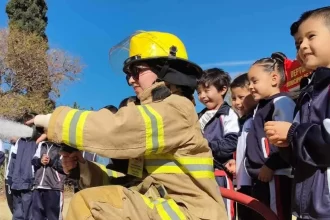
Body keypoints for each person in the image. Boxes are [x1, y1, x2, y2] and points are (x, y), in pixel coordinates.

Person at [27, 31, 227, 220]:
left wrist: (54, 121)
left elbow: (116, 129)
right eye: (128, 74)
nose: (131, 80)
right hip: (169, 206)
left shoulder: (176, 108)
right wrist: (83, 168)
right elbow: (128, 182)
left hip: (190, 213)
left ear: (165, 70)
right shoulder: (160, 116)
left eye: (136, 71)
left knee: (88, 204)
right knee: (95, 199)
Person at [265, 6, 330, 220]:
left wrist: (292, 133)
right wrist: (286, 145)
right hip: (308, 209)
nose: (303, 46)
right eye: (298, 43)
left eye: (311, 36)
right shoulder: (308, 92)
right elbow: (303, 156)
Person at [245, 52, 296, 220]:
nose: (250, 86)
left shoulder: (282, 102)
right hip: (261, 176)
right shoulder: (260, 107)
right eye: (249, 82)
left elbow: (286, 139)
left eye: (255, 81)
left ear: (274, 79)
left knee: (276, 215)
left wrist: (272, 165)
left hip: (276, 175)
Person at [197, 68, 239, 220]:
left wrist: (204, 146)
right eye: (199, 92)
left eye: (207, 90)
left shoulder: (228, 114)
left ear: (223, 89)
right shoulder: (200, 116)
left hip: (220, 174)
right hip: (202, 174)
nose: (202, 96)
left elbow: (232, 142)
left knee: (224, 213)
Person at [230, 73, 258, 220]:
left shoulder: (256, 119)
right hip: (243, 182)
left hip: (254, 181)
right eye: (234, 98)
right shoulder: (242, 121)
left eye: (241, 97)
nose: (236, 102)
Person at [10, 112, 38, 220]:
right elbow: (13, 162)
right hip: (16, 183)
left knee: (29, 214)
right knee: (17, 214)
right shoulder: (19, 142)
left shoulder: (36, 142)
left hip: (29, 183)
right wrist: (12, 178)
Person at [31, 141, 66, 220]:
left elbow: (65, 167)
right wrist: (40, 161)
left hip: (54, 188)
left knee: (53, 217)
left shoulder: (63, 147)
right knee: (36, 217)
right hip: (38, 186)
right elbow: (33, 160)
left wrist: (51, 161)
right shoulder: (42, 144)